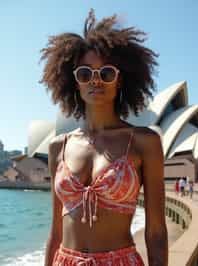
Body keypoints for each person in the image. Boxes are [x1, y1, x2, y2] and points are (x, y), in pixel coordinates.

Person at [41, 9, 168, 266]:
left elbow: (156, 232)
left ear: (120, 80)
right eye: (85, 73)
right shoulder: (59, 147)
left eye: (106, 73)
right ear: (75, 82)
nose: (95, 81)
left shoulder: (145, 142)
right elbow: (56, 231)